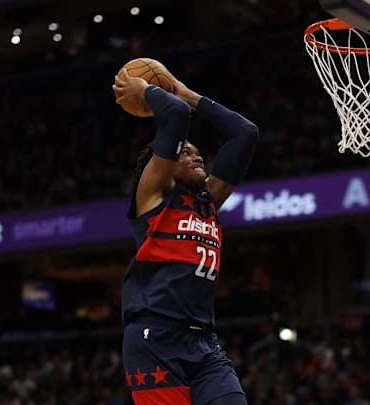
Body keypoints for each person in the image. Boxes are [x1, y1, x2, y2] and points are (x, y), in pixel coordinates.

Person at [112, 66, 259, 405]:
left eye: (196, 151)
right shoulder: (154, 195)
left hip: (204, 343)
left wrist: (186, 92)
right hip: (154, 338)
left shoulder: (209, 200)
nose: (195, 155)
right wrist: (148, 90)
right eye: (184, 152)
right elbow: (175, 115)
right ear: (163, 166)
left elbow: (245, 134)